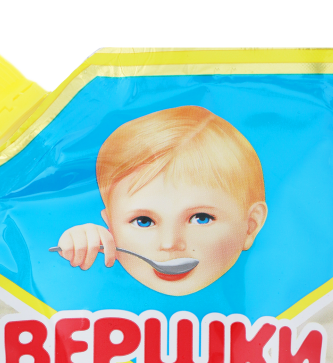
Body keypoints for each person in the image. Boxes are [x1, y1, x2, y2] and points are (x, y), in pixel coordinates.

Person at [55, 106, 268, 297]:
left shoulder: (267, 291)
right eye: (144, 221)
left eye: (201, 218)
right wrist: (78, 245)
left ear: (251, 225)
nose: (169, 244)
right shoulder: (96, 274)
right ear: (110, 226)